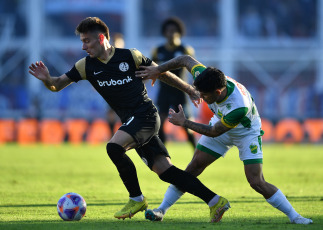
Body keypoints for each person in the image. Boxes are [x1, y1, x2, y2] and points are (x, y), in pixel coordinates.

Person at [28, 17, 230, 223]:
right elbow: (57, 85)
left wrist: (188, 89)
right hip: (133, 121)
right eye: (82, 41)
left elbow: (160, 72)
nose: (83, 46)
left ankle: (136, 198)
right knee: (165, 171)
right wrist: (46, 79)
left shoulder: (130, 56)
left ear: (100, 38)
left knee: (114, 148)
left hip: (146, 115)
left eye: (86, 41)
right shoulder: (85, 66)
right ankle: (215, 201)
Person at [135, 55, 313, 225]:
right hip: (221, 121)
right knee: (193, 167)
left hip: (246, 132)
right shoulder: (205, 76)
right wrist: (158, 69)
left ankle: (295, 216)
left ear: (218, 92)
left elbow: (213, 132)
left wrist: (185, 122)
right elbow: (184, 60)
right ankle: (162, 210)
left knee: (256, 181)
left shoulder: (238, 106)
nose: (201, 97)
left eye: (204, 95)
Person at [152, 17, 196, 148]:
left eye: (174, 30)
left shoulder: (186, 50)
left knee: (187, 125)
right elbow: (151, 68)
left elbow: (194, 70)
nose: (171, 33)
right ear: (164, 33)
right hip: (163, 91)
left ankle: (196, 151)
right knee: (159, 124)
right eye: (168, 31)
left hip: (180, 92)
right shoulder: (157, 50)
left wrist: (195, 87)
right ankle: (163, 154)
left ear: (179, 32)